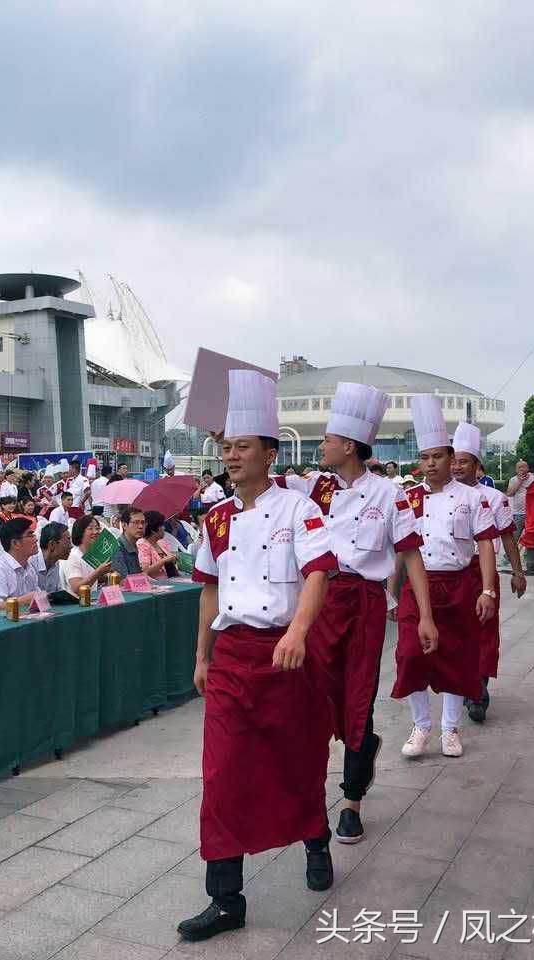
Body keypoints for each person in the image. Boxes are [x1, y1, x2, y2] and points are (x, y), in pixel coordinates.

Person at [178, 370, 338, 942]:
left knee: (296, 757)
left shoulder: (299, 509)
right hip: (232, 658)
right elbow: (209, 589)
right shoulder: (215, 518)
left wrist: (297, 632)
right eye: (226, 447)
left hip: (287, 658)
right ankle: (225, 900)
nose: (232, 456)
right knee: (221, 775)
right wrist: (203, 655)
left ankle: (315, 836)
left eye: (242, 447)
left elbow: (319, 572)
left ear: (270, 453)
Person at [302, 381, 433, 846]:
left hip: (365, 604)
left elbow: (412, 554)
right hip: (319, 601)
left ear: (350, 447)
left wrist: (427, 617)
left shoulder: (390, 494)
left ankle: (352, 800)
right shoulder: (314, 489)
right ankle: (312, 788)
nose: (321, 446)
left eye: (327, 441)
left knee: (358, 696)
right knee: (317, 695)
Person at [390, 398, 497, 761]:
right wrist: (392, 593)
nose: (431, 464)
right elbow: (402, 552)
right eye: (425, 457)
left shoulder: (473, 498)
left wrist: (486, 590)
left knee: (457, 656)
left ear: (452, 460)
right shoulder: (408, 499)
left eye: (438, 456)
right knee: (409, 655)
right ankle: (421, 726)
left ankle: (450, 729)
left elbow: (485, 545)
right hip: (417, 588)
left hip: (458, 586)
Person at [451, 426, 526, 724]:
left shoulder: (494, 498)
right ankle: (460, 683)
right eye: (453, 461)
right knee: (455, 633)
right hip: (450, 575)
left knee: (483, 631)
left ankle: (478, 690)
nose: (456, 467)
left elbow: (507, 537)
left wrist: (517, 572)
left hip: (481, 572)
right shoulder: (440, 495)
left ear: (478, 467)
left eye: (463, 461)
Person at [0, 517, 39, 607]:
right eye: (30, 535)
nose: (36, 539)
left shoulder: (29, 567)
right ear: (15, 543)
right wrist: (23, 601)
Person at [62, 514, 113, 596]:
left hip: (92, 600)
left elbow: (90, 578)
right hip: (76, 604)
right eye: (90, 528)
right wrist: (98, 572)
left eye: (97, 528)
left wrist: (107, 574)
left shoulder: (93, 555)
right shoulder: (73, 556)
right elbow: (77, 588)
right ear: (80, 532)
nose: (96, 532)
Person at [137, 510, 180, 579]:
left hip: (170, 580)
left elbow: (171, 563)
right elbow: (146, 571)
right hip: (155, 584)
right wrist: (164, 560)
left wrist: (173, 559)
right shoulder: (142, 545)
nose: (164, 528)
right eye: (161, 525)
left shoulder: (161, 543)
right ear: (153, 530)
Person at [30, 522, 71, 593]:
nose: (71, 546)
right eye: (67, 541)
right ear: (52, 544)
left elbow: (58, 592)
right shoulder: (30, 564)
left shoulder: (55, 563)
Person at [110, 507, 147, 577]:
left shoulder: (135, 545)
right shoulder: (117, 548)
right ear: (124, 525)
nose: (141, 526)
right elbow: (123, 581)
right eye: (136, 522)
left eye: (143, 523)